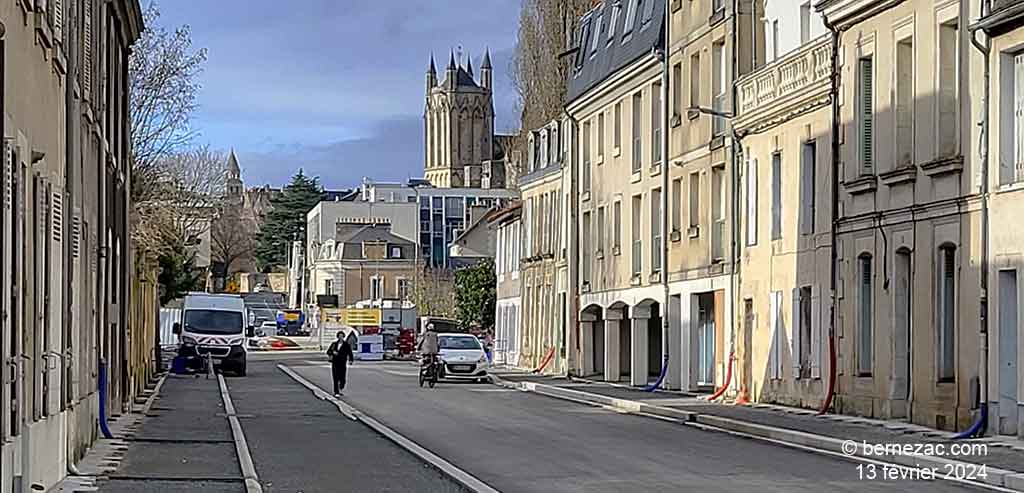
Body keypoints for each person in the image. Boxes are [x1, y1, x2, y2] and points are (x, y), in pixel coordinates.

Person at [326, 330, 354, 396]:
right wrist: (333, 352)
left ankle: (341, 386)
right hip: (335, 362)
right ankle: (336, 392)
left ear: (343, 337)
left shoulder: (346, 345)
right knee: (335, 378)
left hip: (342, 362)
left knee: (342, 378)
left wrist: (351, 360)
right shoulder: (334, 344)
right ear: (337, 337)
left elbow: (350, 353)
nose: (340, 337)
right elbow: (328, 351)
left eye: (342, 336)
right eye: (339, 336)